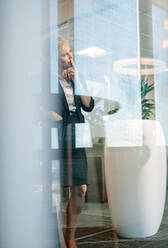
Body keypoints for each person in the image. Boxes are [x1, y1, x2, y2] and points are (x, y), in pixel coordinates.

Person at [55, 36, 94, 248]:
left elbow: (88, 106)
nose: (70, 57)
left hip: (76, 131)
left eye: (70, 53)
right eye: (64, 54)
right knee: (55, 190)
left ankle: (70, 235)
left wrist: (78, 80)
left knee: (80, 188)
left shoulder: (76, 77)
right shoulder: (45, 78)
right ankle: (61, 239)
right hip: (56, 132)